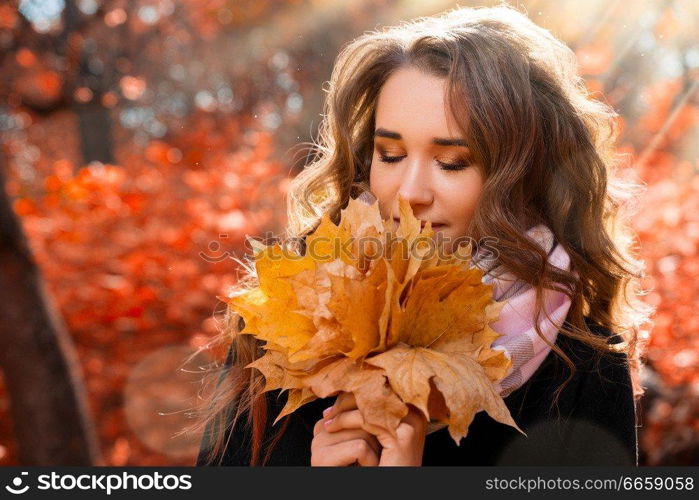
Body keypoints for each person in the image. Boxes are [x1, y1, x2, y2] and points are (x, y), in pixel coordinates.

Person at [189, 4, 653, 466]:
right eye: (389, 155)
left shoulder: (585, 370)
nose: (409, 193)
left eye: (452, 163)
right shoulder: (283, 325)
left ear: (524, 176)